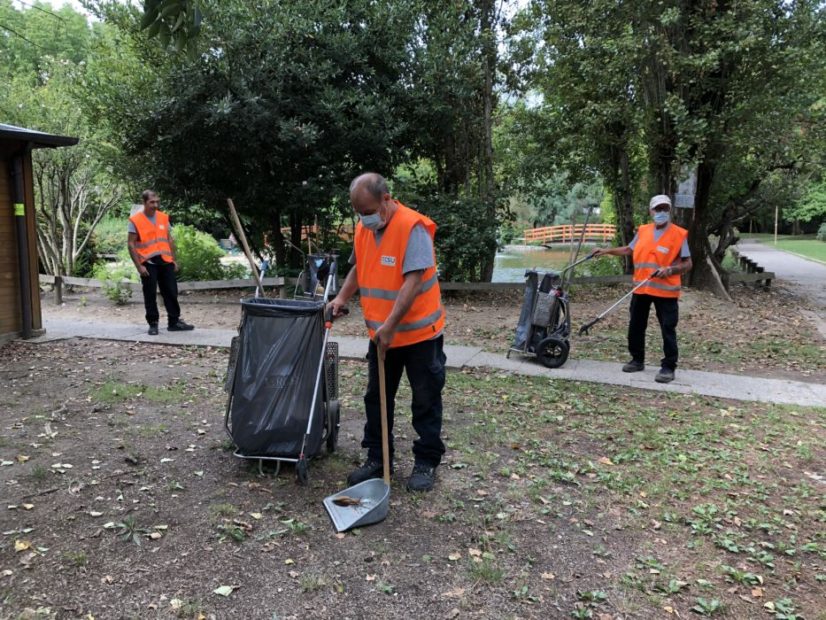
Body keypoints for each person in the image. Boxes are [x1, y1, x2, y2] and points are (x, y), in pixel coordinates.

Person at [328, 173, 446, 492]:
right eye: (358, 212)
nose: (363, 217)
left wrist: (391, 325)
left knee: (425, 399)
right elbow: (359, 267)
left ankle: (426, 462)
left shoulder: (413, 227)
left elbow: (414, 280)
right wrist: (340, 298)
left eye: (367, 209)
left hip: (420, 336)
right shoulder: (365, 229)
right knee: (376, 398)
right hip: (381, 336)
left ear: (385, 199)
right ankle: (378, 459)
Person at [591, 194, 692, 383]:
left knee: (667, 328)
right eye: (657, 209)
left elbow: (688, 264)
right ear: (651, 211)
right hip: (641, 287)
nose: (661, 212)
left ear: (669, 210)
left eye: (664, 209)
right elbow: (629, 250)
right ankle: (637, 360)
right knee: (636, 326)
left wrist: (671, 269)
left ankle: (668, 367)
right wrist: (605, 251)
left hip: (666, 291)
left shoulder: (679, 234)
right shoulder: (643, 231)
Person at [127, 190, 194, 335]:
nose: (155, 204)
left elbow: (169, 239)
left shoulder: (163, 218)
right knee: (150, 294)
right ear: (144, 202)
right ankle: (153, 324)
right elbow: (131, 244)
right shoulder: (135, 220)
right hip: (148, 263)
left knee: (171, 291)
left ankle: (174, 322)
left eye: (157, 201)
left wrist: (173, 260)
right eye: (152, 202)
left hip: (166, 261)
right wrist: (139, 266)